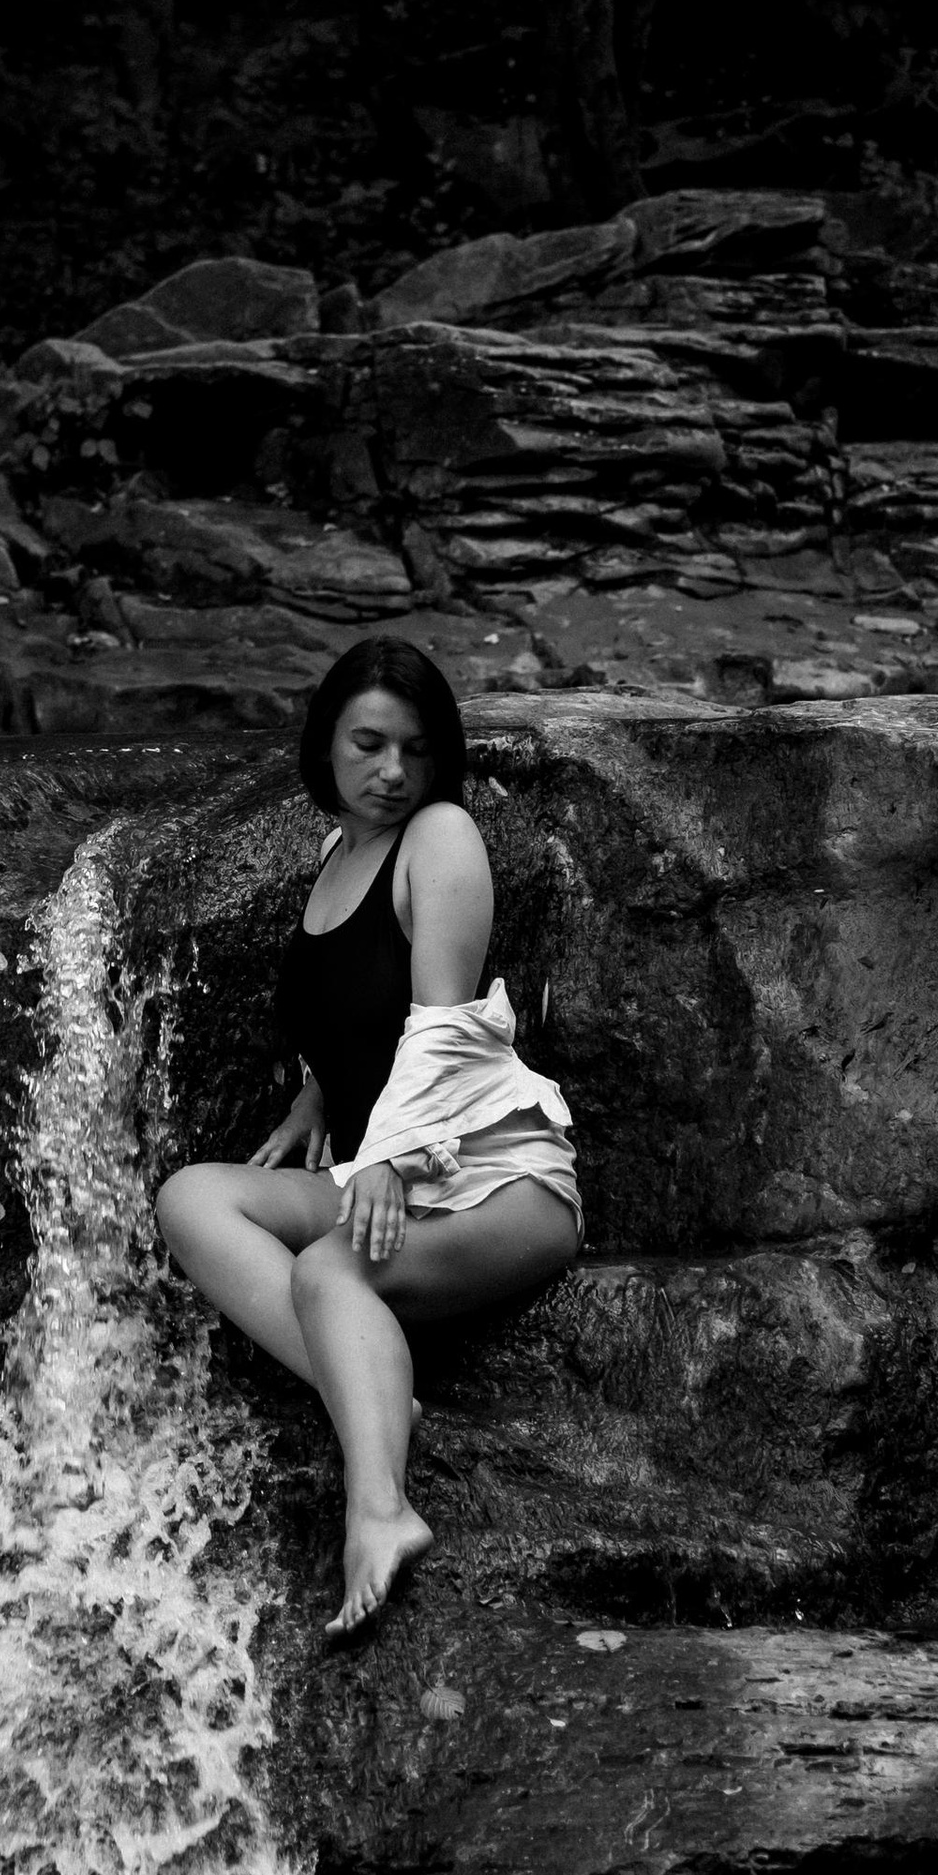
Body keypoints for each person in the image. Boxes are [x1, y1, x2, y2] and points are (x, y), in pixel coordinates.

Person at [155, 637, 582, 1636]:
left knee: (325, 1277)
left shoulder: (438, 836)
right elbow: (349, 1008)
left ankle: (382, 1509)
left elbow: (437, 1019)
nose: (393, 773)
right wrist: (315, 1094)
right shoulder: (333, 856)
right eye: (369, 745)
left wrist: (385, 1151)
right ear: (327, 746)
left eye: (416, 750)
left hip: (492, 1180)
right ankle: (370, 1377)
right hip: (383, 1167)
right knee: (194, 1199)